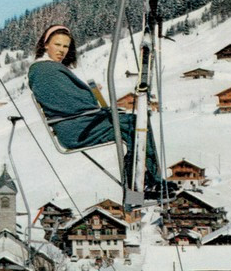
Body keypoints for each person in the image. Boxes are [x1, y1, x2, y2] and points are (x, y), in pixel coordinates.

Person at [28, 24, 163, 194]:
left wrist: (89, 97)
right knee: (135, 124)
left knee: (132, 123)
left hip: (77, 125)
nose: (62, 50)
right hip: (77, 129)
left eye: (65, 46)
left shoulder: (46, 69)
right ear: (46, 44)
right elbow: (71, 102)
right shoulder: (46, 71)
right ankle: (144, 182)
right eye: (57, 44)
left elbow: (68, 99)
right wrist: (91, 96)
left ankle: (143, 181)